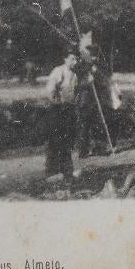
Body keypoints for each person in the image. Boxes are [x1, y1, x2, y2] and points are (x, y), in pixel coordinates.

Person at [43, 50, 80, 182]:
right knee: (55, 140)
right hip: (57, 110)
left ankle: (67, 171)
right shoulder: (59, 71)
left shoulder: (74, 74)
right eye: (72, 59)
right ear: (65, 59)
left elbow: (75, 92)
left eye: (76, 59)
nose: (75, 62)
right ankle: (51, 171)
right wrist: (58, 103)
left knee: (67, 140)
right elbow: (50, 91)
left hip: (69, 110)